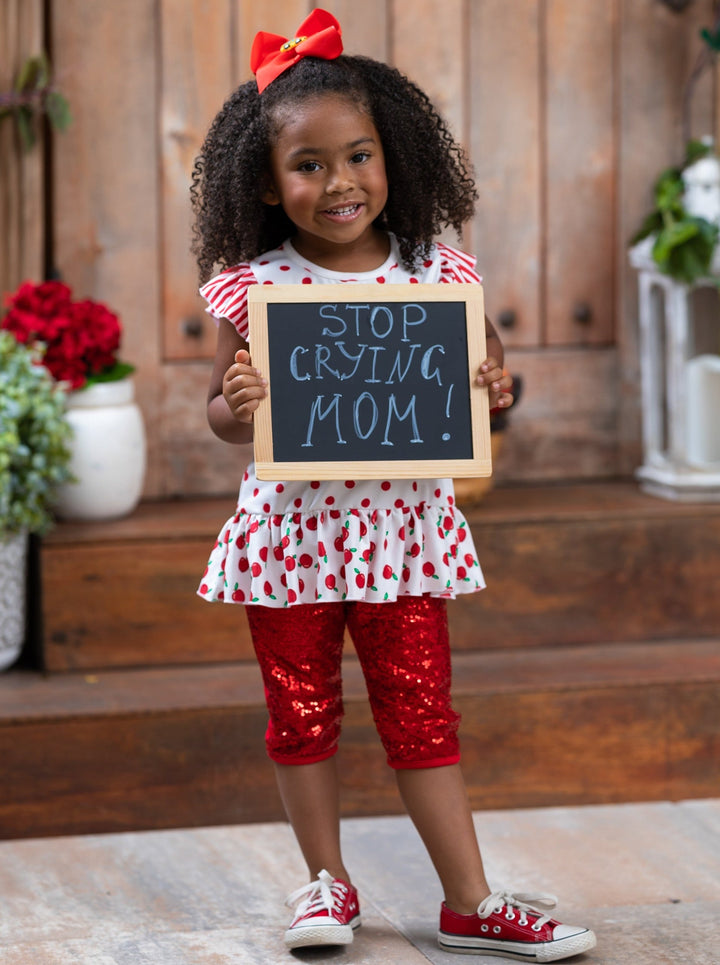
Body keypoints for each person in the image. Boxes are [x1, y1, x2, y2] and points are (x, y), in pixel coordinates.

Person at [192, 9, 596, 962]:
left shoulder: (435, 273)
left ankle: (469, 899)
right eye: (309, 164)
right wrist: (238, 399)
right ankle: (325, 884)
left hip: (401, 530)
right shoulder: (254, 288)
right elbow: (219, 410)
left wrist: (493, 386)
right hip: (291, 533)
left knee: (421, 706)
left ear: (394, 158)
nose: (339, 183)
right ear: (265, 179)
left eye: (359, 156)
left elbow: (482, 378)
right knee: (300, 707)